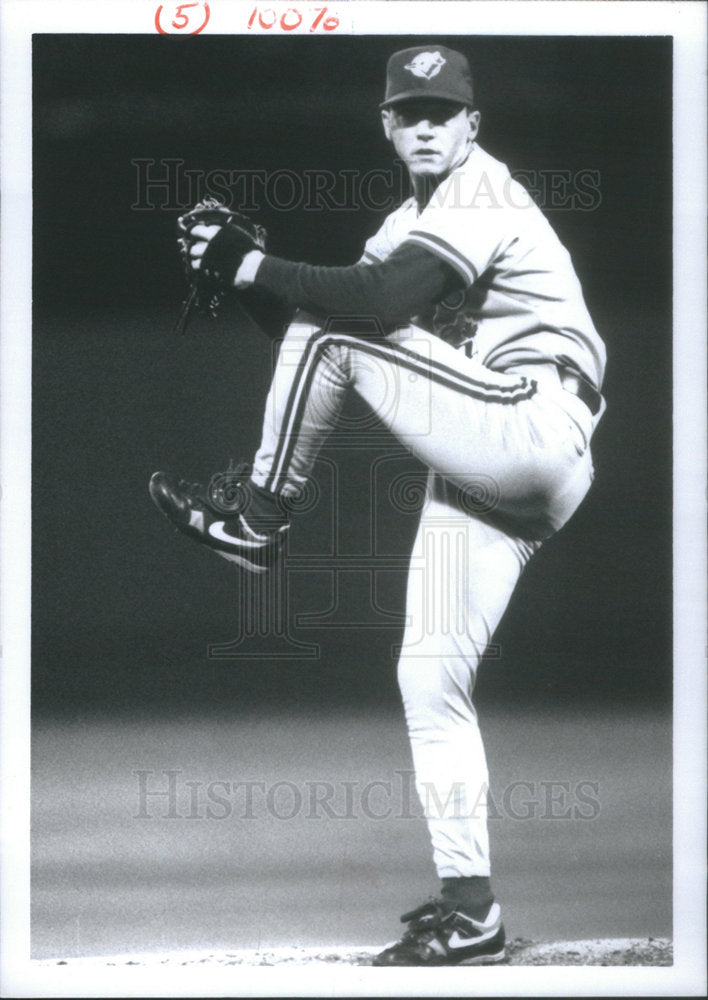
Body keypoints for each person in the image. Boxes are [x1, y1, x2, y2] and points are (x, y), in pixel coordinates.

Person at [150, 45, 606, 966]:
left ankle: (255, 523)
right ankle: (470, 909)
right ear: (388, 128)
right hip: (496, 458)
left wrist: (249, 264)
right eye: (412, 112)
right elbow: (310, 334)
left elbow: (371, 303)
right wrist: (241, 280)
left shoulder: (483, 191)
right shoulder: (407, 220)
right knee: (428, 680)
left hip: (533, 419)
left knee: (337, 324)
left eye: (446, 111)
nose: (430, 125)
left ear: (474, 127)